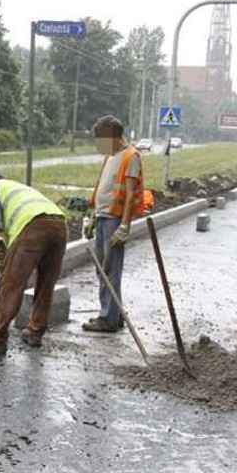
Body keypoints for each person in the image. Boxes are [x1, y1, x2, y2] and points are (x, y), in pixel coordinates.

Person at [0, 174, 69, 355]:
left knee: (11, 284)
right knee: (46, 284)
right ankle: (35, 333)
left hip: (33, 227)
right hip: (60, 225)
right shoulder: (19, 188)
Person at [82, 115, 143, 333]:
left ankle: (108, 318)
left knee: (111, 269)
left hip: (114, 220)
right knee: (103, 269)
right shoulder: (110, 157)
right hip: (102, 216)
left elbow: (129, 195)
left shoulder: (131, 156)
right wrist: (92, 215)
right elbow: (102, 187)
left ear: (114, 137)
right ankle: (113, 315)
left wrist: (124, 225)